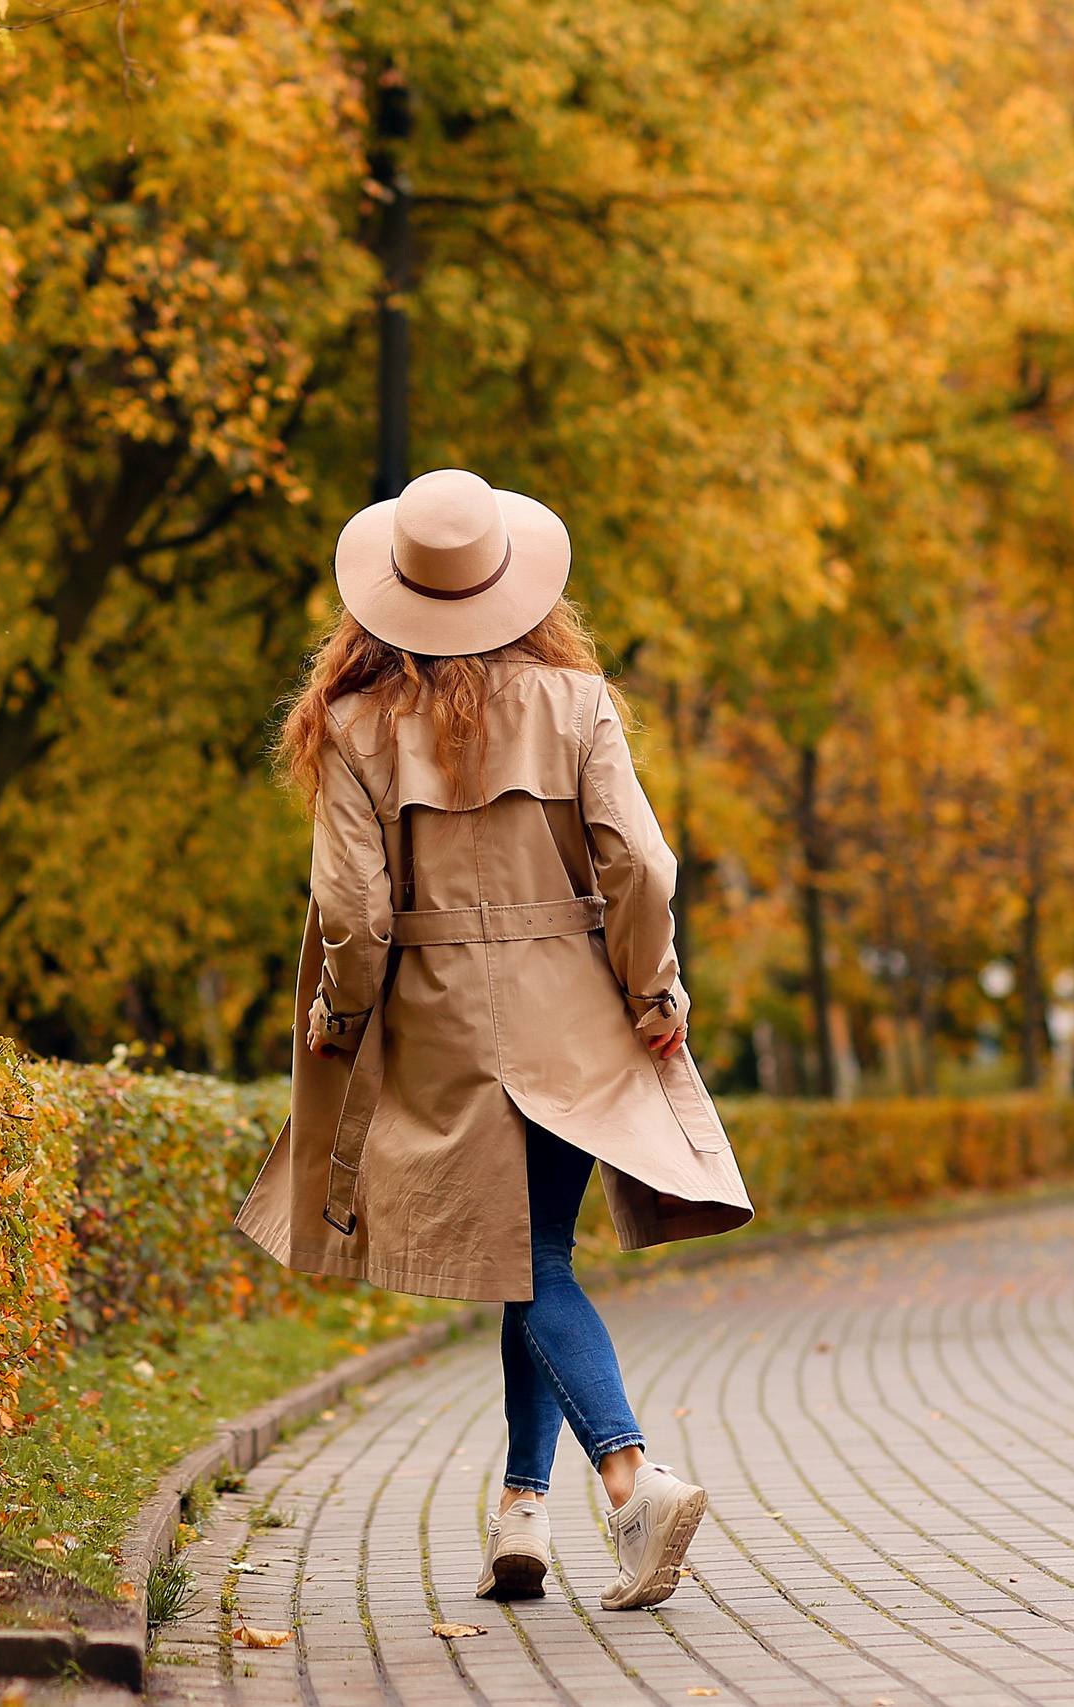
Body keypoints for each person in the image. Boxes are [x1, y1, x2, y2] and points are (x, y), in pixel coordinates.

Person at [234, 468, 753, 1611]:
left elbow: (357, 913)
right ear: (517, 589)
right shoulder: (578, 703)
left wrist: (342, 1020)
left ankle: (625, 1482)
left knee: (534, 1268)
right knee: (538, 1260)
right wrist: (652, 991)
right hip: (572, 1014)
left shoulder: (354, 726)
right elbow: (642, 868)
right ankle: (522, 1513)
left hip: (440, 1032)